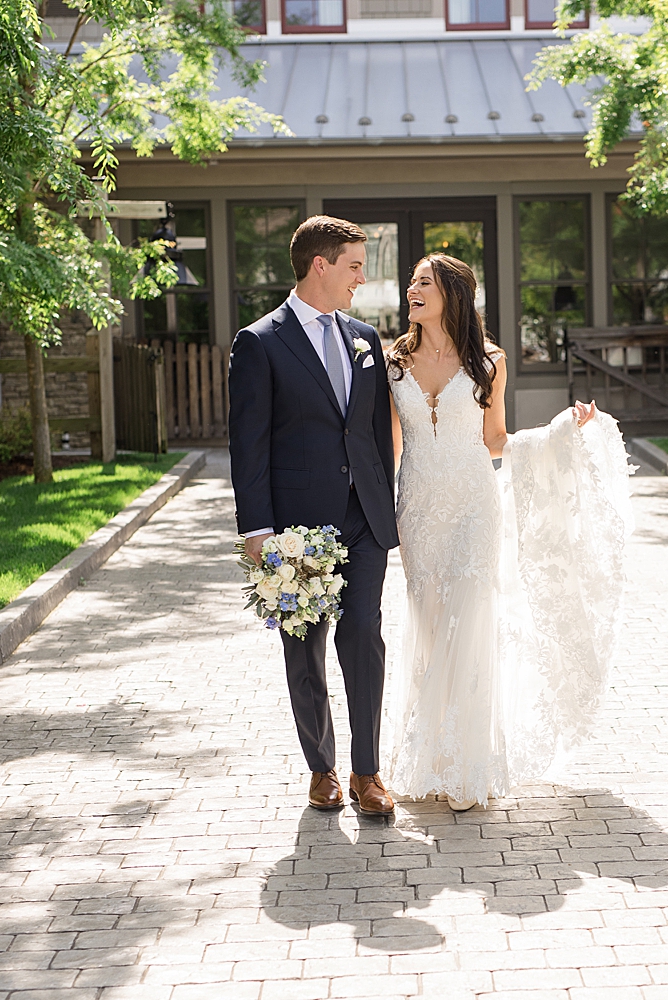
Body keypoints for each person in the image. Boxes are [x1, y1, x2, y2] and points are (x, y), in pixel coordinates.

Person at [386, 253, 634, 811]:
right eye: (412, 282)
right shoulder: (393, 362)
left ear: (452, 292)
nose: (413, 289)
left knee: (469, 618)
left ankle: (469, 768)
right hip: (420, 506)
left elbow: (494, 439)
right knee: (428, 624)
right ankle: (432, 759)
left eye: (424, 282)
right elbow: (392, 445)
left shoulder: (489, 362)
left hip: (475, 504)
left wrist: (555, 436)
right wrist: (385, 509)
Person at [228, 216, 399, 816]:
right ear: (320, 265)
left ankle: (368, 772)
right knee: (305, 647)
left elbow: (376, 430)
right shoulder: (260, 342)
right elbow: (248, 443)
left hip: (363, 519)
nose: (362, 277)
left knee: (364, 640)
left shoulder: (364, 336)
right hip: (297, 527)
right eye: (354, 265)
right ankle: (321, 768)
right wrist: (257, 530)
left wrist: (386, 502)